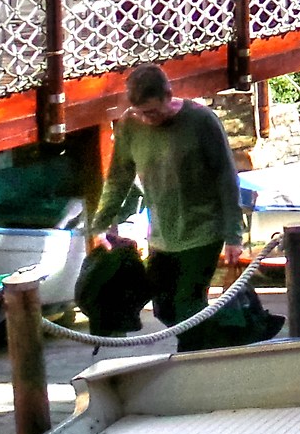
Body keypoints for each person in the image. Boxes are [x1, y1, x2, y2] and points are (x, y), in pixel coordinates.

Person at [89, 64, 244, 338]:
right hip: (161, 233)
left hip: (203, 231)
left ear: (168, 95)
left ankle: (197, 363)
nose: (148, 119)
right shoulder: (129, 126)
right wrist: (100, 224)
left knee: (188, 306)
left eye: (152, 111)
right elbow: (118, 178)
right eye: (141, 113)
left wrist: (233, 234)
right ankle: (221, 343)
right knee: (164, 308)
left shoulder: (201, 120)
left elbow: (226, 178)